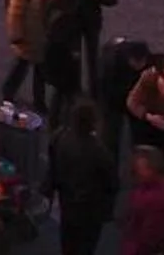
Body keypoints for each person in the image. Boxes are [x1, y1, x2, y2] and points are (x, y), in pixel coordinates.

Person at [47, 101, 119, 255]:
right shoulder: (99, 151)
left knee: (67, 242)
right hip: (89, 210)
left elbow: (52, 167)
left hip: (66, 201)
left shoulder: (59, 136)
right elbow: (111, 183)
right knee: (85, 247)